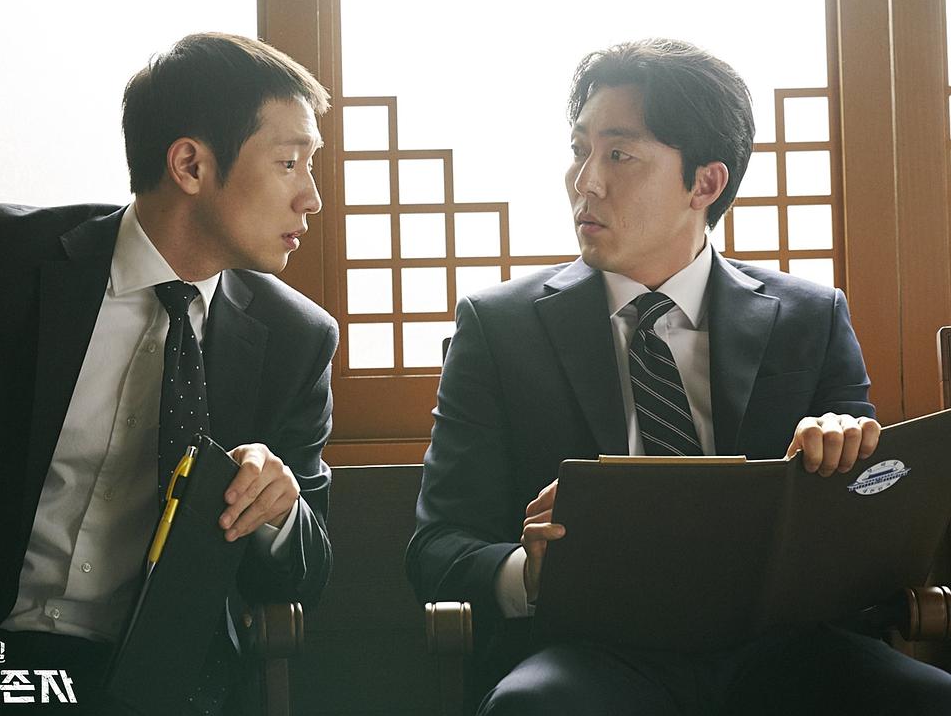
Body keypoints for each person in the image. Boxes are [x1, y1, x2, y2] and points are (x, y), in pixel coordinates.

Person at [406, 38, 951, 715]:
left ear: (705, 184)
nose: (585, 181)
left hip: (788, 649)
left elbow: (869, 526)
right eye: (579, 149)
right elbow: (437, 545)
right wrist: (530, 572)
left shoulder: (810, 317)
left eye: (618, 155)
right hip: (589, 654)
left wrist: (846, 447)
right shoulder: (498, 328)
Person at [0, 32, 335, 714]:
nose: (312, 198)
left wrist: (280, 510)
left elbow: (306, 573)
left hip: (154, 685)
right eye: (289, 163)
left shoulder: (296, 339)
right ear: (190, 164)